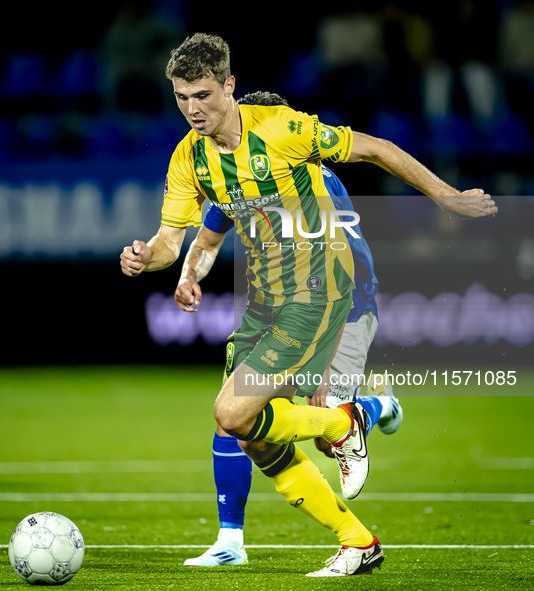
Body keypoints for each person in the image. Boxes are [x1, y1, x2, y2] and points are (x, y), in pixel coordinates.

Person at [120, 33, 496, 577]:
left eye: (201, 94)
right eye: (181, 97)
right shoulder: (194, 160)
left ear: (230, 87)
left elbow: (376, 149)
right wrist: (145, 257)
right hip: (264, 307)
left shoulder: (291, 143)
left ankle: (352, 417)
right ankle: (352, 537)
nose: (191, 109)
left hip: (321, 299)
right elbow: (175, 241)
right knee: (245, 430)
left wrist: (448, 197)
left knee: (236, 412)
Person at [174, 92, 402, 569]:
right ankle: (231, 541)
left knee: (317, 430)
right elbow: (208, 238)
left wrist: (322, 365)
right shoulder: (230, 174)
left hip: (346, 310)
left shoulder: (315, 181)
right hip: (278, 312)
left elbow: (351, 269)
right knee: (238, 420)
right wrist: (188, 273)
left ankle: (370, 408)